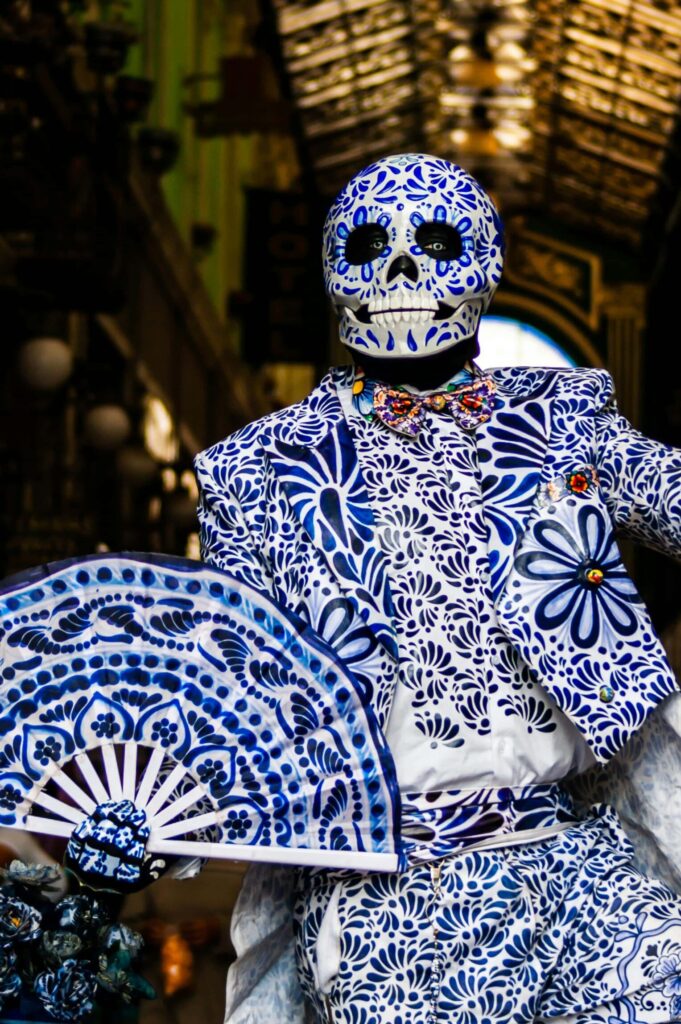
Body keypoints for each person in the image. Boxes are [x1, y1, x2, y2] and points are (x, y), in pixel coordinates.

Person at [194, 153, 681, 1024]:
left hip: (574, 858)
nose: (402, 275)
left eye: (435, 245)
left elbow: (666, 497)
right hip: (394, 898)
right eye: (372, 247)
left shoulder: (558, 416)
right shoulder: (257, 471)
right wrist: (133, 830)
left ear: (485, 264)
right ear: (331, 268)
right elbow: (226, 689)